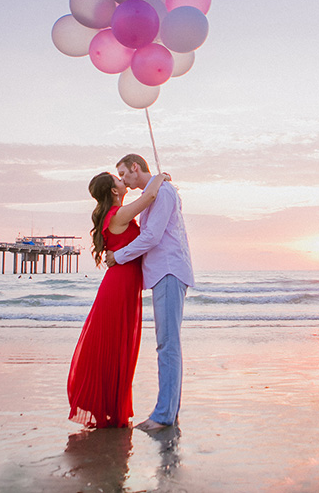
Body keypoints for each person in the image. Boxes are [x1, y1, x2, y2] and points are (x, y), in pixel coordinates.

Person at [67, 169, 169, 428]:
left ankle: (111, 407)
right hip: (120, 285)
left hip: (122, 285)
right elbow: (150, 196)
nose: (123, 181)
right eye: (119, 180)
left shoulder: (115, 215)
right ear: (114, 191)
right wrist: (160, 176)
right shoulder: (118, 214)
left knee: (119, 346)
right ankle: (110, 409)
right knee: (116, 346)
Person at [106, 153, 194, 432]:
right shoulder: (157, 192)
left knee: (167, 344)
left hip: (168, 271)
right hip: (163, 273)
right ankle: (169, 410)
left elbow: (152, 237)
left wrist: (118, 257)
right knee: (168, 343)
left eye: (123, 173)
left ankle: (164, 414)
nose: (122, 180)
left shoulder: (163, 192)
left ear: (135, 167)